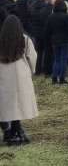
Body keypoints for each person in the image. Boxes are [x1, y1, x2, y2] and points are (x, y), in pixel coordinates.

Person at [0, 15, 38, 146]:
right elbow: (32, 57)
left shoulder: (1, 40)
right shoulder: (25, 40)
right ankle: (16, 130)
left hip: (3, 76)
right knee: (18, 104)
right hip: (20, 75)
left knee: (6, 104)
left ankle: (9, 130)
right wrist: (31, 71)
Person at [44, 0, 68, 84]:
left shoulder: (51, 17)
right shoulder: (67, 16)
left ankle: (54, 77)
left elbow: (47, 30)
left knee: (56, 59)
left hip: (54, 40)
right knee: (63, 59)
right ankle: (62, 78)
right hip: (65, 40)